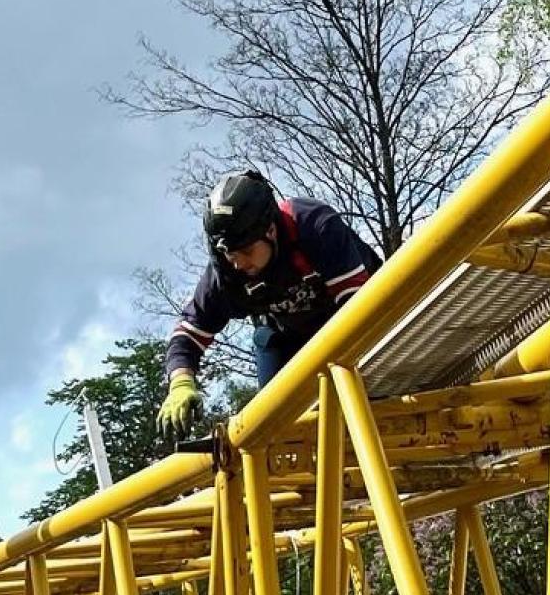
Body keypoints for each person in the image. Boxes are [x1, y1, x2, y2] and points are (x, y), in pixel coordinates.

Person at [157, 169, 382, 440]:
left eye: (247, 251)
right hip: (287, 337)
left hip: (360, 317)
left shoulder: (315, 226)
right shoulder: (225, 274)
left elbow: (358, 311)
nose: (239, 263)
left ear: (271, 231)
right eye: (230, 254)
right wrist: (180, 383)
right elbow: (187, 335)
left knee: (374, 397)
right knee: (271, 427)